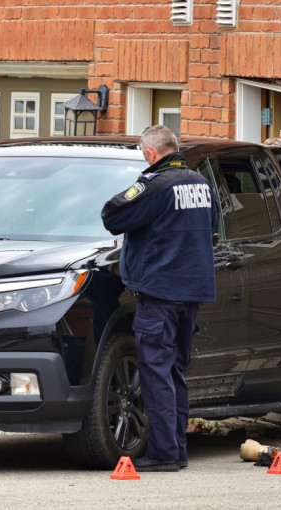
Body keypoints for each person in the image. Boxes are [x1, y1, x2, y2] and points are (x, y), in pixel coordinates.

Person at [101, 125, 219, 472]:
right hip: (191, 294)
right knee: (176, 372)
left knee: (156, 373)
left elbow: (113, 215)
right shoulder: (201, 184)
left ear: (151, 154)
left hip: (160, 294)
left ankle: (165, 453)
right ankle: (177, 449)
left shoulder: (155, 184)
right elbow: (212, 226)